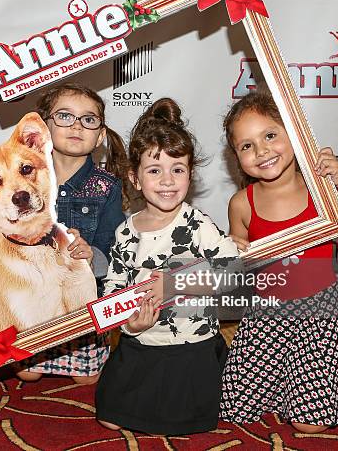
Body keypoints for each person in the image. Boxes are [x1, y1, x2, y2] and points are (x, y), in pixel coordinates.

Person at [219, 91, 338, 433]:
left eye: (269, 135)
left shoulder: (321, 192)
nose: (261, 150)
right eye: (246, 146)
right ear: (236, 157)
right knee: (233, 408)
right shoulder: (241, 204)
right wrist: (231, 254)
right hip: (264, 316)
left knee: (310, 425)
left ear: (294, 135)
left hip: (318, 316)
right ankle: (303, 375)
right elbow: (240, 275)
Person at [0, 83, 129, 384]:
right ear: (44, 132)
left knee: (87, 380)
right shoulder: (29, 170)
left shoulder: (106, 186)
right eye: (65, 116)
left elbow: (113, 248)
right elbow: (1, 235)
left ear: (101, 135)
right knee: (28, 374)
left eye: (89, 119)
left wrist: (91, 255)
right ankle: (37, 348)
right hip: (34, 299)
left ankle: (81, 352)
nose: (77, 126)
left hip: (77, 299)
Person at [95, 98, 240, 435]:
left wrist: (174, 284)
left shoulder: (196, 223)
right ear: (135, 177)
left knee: (190, 425)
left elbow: (234, 270)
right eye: (154, 170)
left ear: (190, 175)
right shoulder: (125, 231)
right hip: (140, 342)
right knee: (108, 418)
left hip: (190, 345)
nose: (167, 180)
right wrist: (130, 323)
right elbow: (114, 287)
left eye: (178, 170)